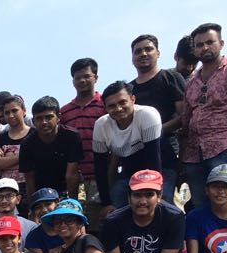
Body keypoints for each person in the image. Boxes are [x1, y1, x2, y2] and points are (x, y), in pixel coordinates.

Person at [180, 23, 227, 210]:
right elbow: (186, 120)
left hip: (225, 147)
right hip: (194, 155)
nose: (204, 47)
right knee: (200, 206)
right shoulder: (192, 81)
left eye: (209, 42)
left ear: (221, 43)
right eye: (199, 45)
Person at [130, 34, 186, 204]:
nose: (143, 54)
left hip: (167, 153)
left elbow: (184, 115)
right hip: (136, 156)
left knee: (163, 202)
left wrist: (155, 131)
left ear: (158, 53)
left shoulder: (171, 78)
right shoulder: (129, 89)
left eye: (148, 49)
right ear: (132, 58)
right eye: (138, 51)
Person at [92, 81, 163, 213]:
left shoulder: (147, 115)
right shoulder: (101, 126)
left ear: (133, 99)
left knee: (160, 206)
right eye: (112, 106)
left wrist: (157, 192)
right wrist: (106, 203)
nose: (118, 109)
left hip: (159, 167)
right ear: (105, 108)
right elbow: (100, 168)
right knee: (116, 208)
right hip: (128, 172)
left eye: (122, 102)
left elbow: (154, 159)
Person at [59, 58, 104, 217]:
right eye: (78, 77)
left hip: (100, 174)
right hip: (73, 177)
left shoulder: (106, 104)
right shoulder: (64, 112)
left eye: (87, 76)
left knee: (98, 220)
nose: (82, 80)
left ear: (96, 78)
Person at [19, 96, 82, 201]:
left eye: (48, 117)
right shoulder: (27, 144)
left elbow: (72, 175)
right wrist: (33, 209)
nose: (44, 122)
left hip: (66, 189)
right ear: (33, 121)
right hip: (41, 192)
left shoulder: (72, 136)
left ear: (58, 117)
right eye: (39, 118)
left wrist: (73, 204)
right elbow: (29, 180)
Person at [0, 95, 33, 189]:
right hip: (7, 189)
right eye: (7, 113)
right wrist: (25, 155)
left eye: (14, 111)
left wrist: (8, 160)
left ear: (24, 111)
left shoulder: (34, 135)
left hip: (31, 186)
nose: (11, 115)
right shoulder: (1, 138)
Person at [23, 188, 64, 253]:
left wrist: (63, 247)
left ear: (57, 203)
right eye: (38, 207)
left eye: (48, 204)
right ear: (34, 212)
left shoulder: (71, 225)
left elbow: (82, 244)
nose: (44, 209)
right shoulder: (33, 237)